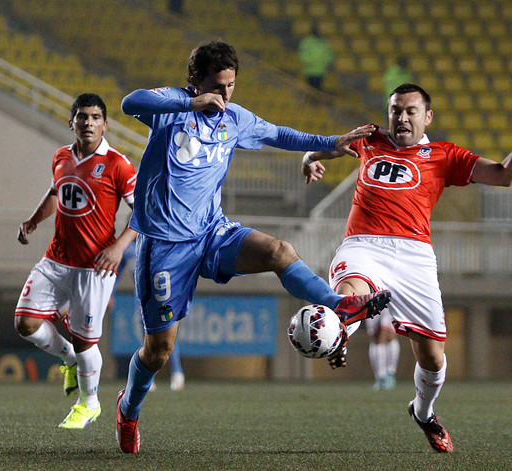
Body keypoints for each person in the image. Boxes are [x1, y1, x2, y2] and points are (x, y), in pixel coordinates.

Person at [115, 40, 391, 454]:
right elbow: (128, 102)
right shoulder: (172, 105)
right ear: (195, 80)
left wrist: (330, 142)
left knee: (278, 251)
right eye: (216, 85)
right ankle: (129, 408)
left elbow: (278, 133)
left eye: (230, 86)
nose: (224, 95)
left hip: (211, 233)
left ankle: (338, 305)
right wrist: (192, 104)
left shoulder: (235, 119)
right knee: (159, 350)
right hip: (164, 247)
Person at [302, 83, 512, 453]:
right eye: (395, 110)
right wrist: (308, 161)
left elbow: (504, 175)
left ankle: (423, 412)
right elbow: (318, 147)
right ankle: (340, 326)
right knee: (349, 293)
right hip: (363, 244)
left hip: (415, 256)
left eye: (410, 111)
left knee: (434, 359)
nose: (401, 118)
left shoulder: (444, 155)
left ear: (428, 116)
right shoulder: (367, 138)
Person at [15, 93, 138, 429]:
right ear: (71, 122)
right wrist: (33, 220)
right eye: (82, 117)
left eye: (96, 117)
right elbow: (57, 192)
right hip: (56, 259)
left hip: (94, 266)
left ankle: (90, 403)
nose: (88, 123)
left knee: (86, 341)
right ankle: (68, 359)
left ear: (105, 124)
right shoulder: (60, 156)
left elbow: (143, 210)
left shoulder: (117, 163)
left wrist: (119, 248)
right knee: (25, 323)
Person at [109, 243, 186, 392]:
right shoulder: (129, 250)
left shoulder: (158, 242)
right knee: (145, 336)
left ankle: (177, 372)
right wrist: (110, 293)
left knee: (167, 331)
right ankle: (149, 377)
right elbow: (117, 272)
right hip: (141, 300)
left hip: (163, 297)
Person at [366, 311, 400, 390]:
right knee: (375, 338)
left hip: (388, 302)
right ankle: (380, 376)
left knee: (390, 335)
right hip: (371, 302)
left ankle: (390, 374)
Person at [297, 25, 334, 91]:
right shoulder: (307, 41)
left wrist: (327, 62)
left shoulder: (324, 42)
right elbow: (302, 54)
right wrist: (309, 62)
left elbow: (329, 54)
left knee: (318, 89)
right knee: (311, 90)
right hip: (310, 71)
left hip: (321, 71)